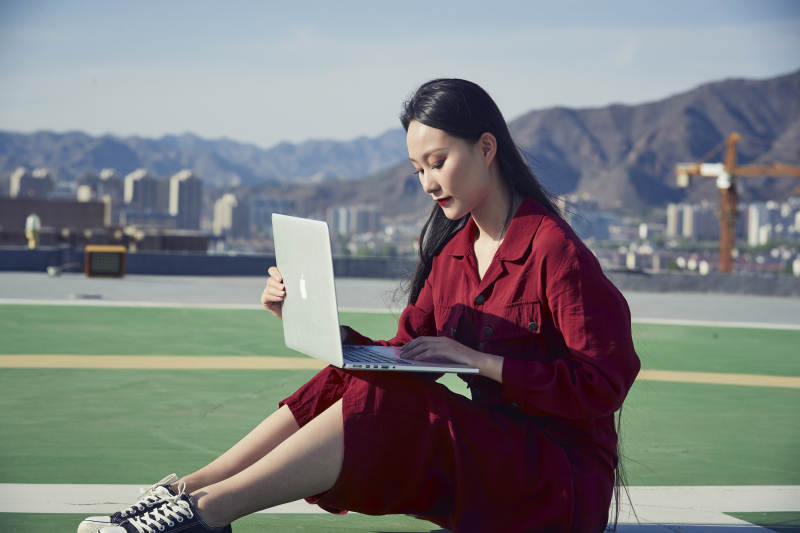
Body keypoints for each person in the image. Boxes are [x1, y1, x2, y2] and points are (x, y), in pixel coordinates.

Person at [79, 78, 640, 533]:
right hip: (494, 452)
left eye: (437, 161)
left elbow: (604, 384)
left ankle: (207, 514)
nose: (426, 182)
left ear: (486, 148)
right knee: (349, 379)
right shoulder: (454, 253)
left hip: (557, 479)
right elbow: (399, 358)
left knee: (383, 403)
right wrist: (309, 320)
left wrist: (479, 361)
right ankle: (192, 489)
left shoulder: (552, 249)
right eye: (418, 169)